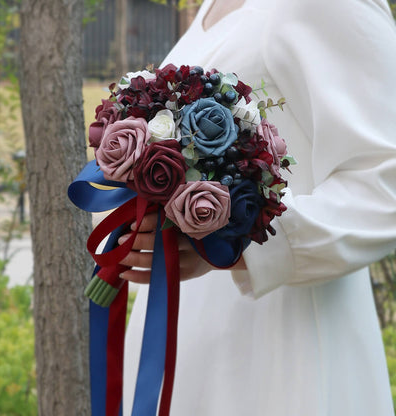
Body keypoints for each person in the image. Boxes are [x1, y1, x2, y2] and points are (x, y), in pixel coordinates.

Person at [120, 0, 396, 414]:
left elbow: (385, 182)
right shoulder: (210, 7)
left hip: (283, 341)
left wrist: (237, 248)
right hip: (183, 340)